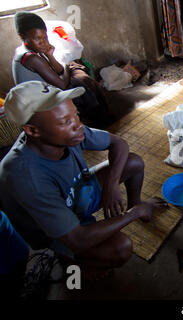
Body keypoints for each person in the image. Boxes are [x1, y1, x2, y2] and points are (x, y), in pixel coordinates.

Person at [0, 81, 168, 278]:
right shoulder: (24, 176)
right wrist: (133, 214)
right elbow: (78, 239)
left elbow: (119, 144)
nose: (78, 125)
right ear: (32, 130)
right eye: (65, 122)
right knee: (121, 248)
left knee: (133, 163)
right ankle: (72, 260)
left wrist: (111, 186)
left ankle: (136, 203)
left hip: (78, 193)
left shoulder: (69, 133)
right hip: (57, 231)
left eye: (76, 115)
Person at [12, 11, 112, 127]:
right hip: (40, 106)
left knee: (77, 73)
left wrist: (50, 55)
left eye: (45, 38)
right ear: (22, 36)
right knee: (80, 81)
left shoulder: (27, 50)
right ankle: (94, 121)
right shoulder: (32, 58)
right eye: (37, 38)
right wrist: (66, 65)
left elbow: (59, 71)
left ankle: (94, 117)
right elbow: (63, 85)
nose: (43, 42)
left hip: (43, 96)